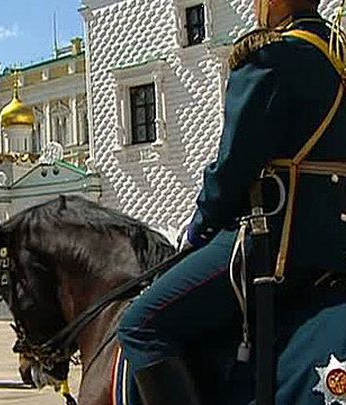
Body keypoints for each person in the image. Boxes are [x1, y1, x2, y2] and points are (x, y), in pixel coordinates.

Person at [116, 0, 346, 404]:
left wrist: (200, 226)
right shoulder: (339, 60)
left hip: (277, 248)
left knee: (140, 323)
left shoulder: (271, 57)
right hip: (335, 248)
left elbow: (232, 168)